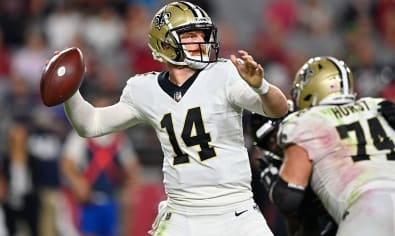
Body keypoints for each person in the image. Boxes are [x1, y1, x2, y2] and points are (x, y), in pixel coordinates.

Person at [54, 1, 289, 236]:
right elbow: (90, 124)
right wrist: (69, 92)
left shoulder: (223, 73)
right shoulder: (144, 89)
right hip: (182, 214)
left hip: (235, 209)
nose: (201, 41)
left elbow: (277, 109)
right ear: (165, 43)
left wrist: (261, 87)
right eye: (191, 35)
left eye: (203, 34)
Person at [262, 56, 395, 236]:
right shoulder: (375, 107)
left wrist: (274, 182)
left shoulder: (305, 121)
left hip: (366, 210)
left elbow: (289, 197)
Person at [60, 96, 142, 236]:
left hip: (112, 200)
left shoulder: (119, 138)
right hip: (88, 202)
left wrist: (130, 189)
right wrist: (78, 182)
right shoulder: (82, 134)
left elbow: (132, 167)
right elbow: (67, 163)